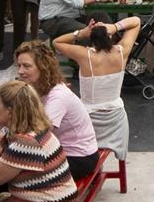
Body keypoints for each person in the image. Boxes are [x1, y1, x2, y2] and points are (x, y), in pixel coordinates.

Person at [54, 15, 142, 164]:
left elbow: (57, 42)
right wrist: (115, 27)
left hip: (89, 119)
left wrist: (81, 33)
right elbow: (136, 22)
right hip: (115, 119)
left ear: (91, 38)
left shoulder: (84, 55)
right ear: (109, 35)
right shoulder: (121, 52)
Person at [11, 40, 101, 182]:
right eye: (19, 65)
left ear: (43, 67)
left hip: (78, 158)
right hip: (61, 151)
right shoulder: (37, 87)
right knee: (8, 164)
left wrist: (4, 134)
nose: (20, 71)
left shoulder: (57, 97)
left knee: (10, 170)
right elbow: (9, 100)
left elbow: (39, 135)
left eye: (26, 66)